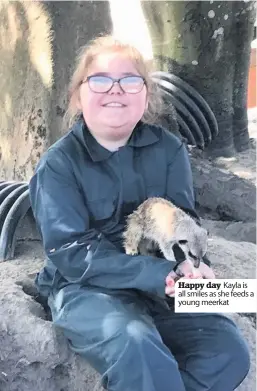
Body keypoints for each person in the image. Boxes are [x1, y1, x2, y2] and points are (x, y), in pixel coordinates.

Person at [29, 35, 250, 391]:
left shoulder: (169, 149)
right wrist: (158, 273)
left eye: (130, 80)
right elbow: (71, 254)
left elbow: (183, 221)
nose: (115, 89)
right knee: (137, 344)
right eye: (100, 79)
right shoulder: (58, 164)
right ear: (78, 95)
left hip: (163, 283)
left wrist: (190, 267)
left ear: (146, 95)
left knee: (227, 351)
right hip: (84, 287)